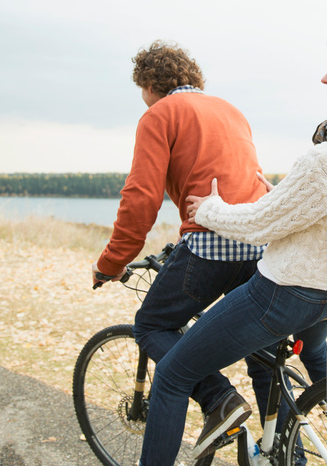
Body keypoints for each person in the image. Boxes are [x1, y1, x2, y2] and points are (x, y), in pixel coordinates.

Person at [138, 23, 327, 465]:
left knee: (175, 374)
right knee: (308, 351)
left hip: (285, 295)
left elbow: (259, 225)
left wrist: (208, 210)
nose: (324, 78)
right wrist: (285, 193)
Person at [91, 40, 274, 458]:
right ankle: (283, 449)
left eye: (142, 90)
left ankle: (219, 399)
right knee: (260, 350)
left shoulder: (159, 114)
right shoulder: (231, 110)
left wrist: (112, 262)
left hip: (210, 245)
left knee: (152, 326)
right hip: (257, 243)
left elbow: (141, 197)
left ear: (150, 84)